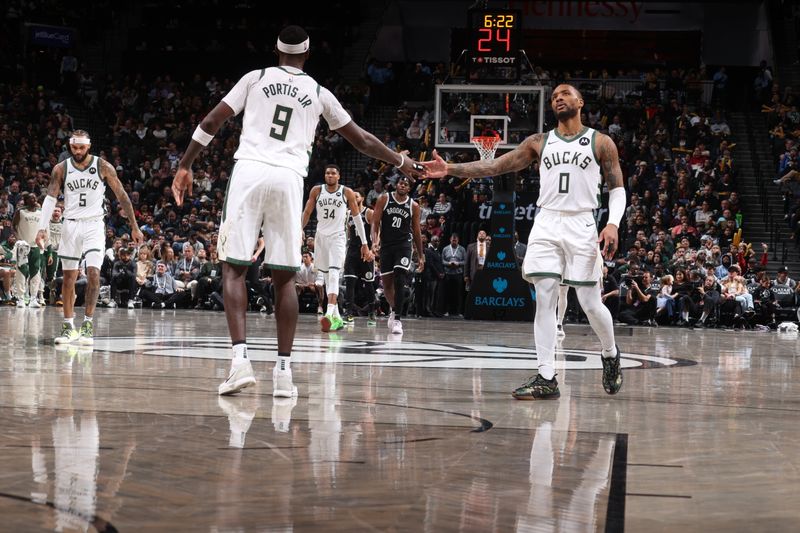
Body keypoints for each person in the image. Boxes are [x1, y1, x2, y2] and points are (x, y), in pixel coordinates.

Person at [171, 25, 424, 397]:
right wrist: (400, 160)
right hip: (290, 179)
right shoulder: (318, 92)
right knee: (285, 276)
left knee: (234, 268)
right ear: (307, 55)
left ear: (277, 51)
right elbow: (363, 140)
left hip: (250, 172)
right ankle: (284, 373)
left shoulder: (255, 78)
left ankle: (240, 361)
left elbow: (211, 122)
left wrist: (185, 164)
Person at [422, 83, 626, 400]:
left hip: (582, 221)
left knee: (589, 303)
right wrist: (450, 168)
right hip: (545, 222)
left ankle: (610, 353)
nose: (558, 98)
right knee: (544, 296)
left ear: (580, 101)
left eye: (565, 94)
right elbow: (494, 165)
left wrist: (612, 223)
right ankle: (546, 376)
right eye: (555, 96)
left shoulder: (601, 142)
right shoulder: (538, 142)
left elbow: (617, 188)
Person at [37, 130, 143, 345]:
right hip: (71, 225)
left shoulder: (103, 166)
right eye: (74, 147)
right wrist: (42, 227)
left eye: (81, 147)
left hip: (94, 225)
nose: (77, 151)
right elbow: (50, 197)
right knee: (68, 278)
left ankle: (87, 324)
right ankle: (68, 327)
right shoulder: (61, 168)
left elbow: (122, 195)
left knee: (94, 273)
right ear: (70, 146)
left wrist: (134, 226)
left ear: (89, 146)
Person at [301, 164, 372, 332]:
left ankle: (329, 312)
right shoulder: (316, 191)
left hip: (338, 237)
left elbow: (357, 219)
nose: (330, 175)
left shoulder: (346, 192)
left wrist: (364, 243)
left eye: (333, 173)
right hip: (321, 237)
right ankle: (337, 318)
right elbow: (307, 212)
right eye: (327, 173)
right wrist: (299, 230)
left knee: (333, 273)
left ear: (339, 176)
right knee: (325, 277)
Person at [370, 175, 425, 335]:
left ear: (409, 189)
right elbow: (375, 222)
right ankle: (394, 310)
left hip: (404, 245)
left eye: (406, 184)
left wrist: (420, 255)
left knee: (400, 278)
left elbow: (416, 230)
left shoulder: (413, 205)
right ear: (397, 185)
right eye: (401, 183)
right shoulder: (384, 199)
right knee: (387, 284)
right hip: (387, 246)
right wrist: (375, 241)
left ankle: (398, 319)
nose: (403, 185)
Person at [343, 190, 377, 325]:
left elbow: (376, 230)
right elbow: (347, 233)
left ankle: (372, 311)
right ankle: (349, 313)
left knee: (368, 283)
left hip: (366, 251)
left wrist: (374, 247)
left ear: (362, 198)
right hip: (352, 250)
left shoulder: (368, 212)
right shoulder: (347, 214)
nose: (354, 198)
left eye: (356, 196)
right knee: (350, 283)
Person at [12, 192, 45, 308]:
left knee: (35, 272)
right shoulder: (20, 211)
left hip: (35, 246)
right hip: (23, 245)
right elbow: (13, 227)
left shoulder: (41, 212)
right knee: (21, 271)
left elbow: (44, 229)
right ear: (26, 200)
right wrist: (18, 240)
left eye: (35, 197)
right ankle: (20, 298)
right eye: (31, 198)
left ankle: (33, 298)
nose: (34, 199)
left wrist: (42, 241)